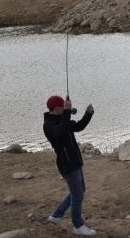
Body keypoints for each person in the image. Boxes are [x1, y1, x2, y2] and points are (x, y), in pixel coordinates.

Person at [43, 95, 96, 236]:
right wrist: (66, 112)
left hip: (75, 161)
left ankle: (56, 215)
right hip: (67, 165)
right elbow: (59, 133)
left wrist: (88, 114)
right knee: (77, 195)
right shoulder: (48, 125)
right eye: (63, 106)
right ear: (56, 108)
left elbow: (78, 126)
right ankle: (77, 225)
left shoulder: (62, 118)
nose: (66, 108)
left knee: (80, 190)